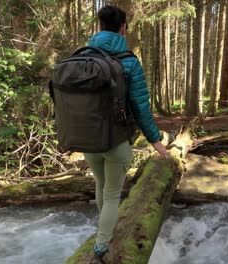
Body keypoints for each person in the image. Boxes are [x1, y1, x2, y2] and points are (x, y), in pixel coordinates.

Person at [83, 5, 169, 262]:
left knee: (101, 184)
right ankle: (102, 246)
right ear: (123, 28)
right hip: (116, 141)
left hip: (87, 139)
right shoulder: (129, 61)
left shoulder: (84, 58)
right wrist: (155, 140)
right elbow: (140, 107)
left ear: (99, 27)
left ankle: (104, 230)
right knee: (111, 194)